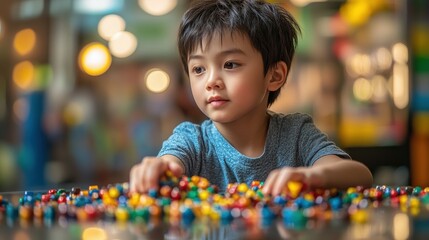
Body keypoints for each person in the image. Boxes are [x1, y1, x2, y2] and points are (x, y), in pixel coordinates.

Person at [130, 0, 373, 196]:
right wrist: (160, 169)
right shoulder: (191, 140)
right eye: (198, 69)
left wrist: (313, 176)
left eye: (230, 64)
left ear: (274, 75)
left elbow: (360, 174)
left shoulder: (296, 133)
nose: (211, 81)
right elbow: (171, 164)